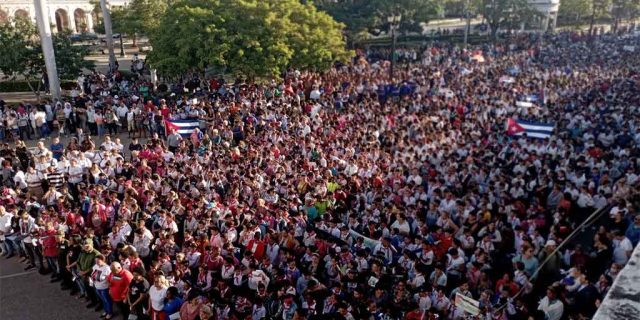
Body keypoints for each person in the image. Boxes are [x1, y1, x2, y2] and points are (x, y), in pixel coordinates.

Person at [91, 254, 113, 319]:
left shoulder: (107, 268)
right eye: (96, 261)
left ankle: (110, 313)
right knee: (103, 300)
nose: (96, 263)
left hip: (104, 288)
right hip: (97, 286)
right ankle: (106, 311)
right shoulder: (95, 266)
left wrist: (110, 288)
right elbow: (93, 273)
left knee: (107, 300)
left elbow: (109, 279)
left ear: (103, 260)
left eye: (98, 261)